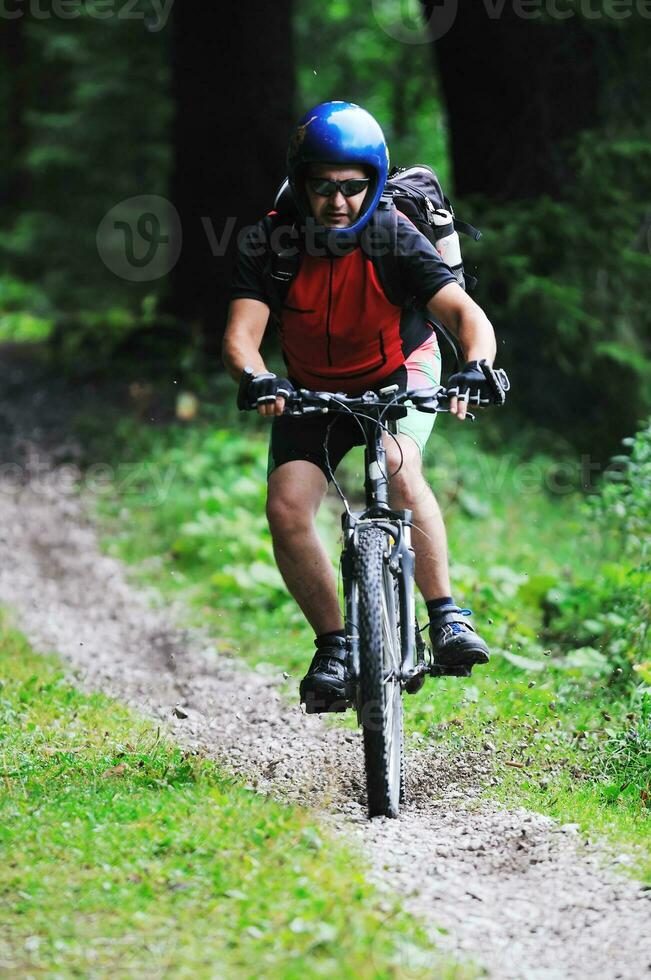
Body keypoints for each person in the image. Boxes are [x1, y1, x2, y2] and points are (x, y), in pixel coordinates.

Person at [222, 100, 503, 712]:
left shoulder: (392, 236)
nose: (337, 201)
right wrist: (258, 377)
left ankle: (446, 615)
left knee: (400, 469)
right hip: (309, 388)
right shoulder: (273, 241)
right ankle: (335, 646)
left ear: (374, 184)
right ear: (300, 185)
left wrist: (476, 365)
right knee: (287, 508)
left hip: (399, 372)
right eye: (321, 187)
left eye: (353, 188)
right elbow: (243, 334)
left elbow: (462, 314)